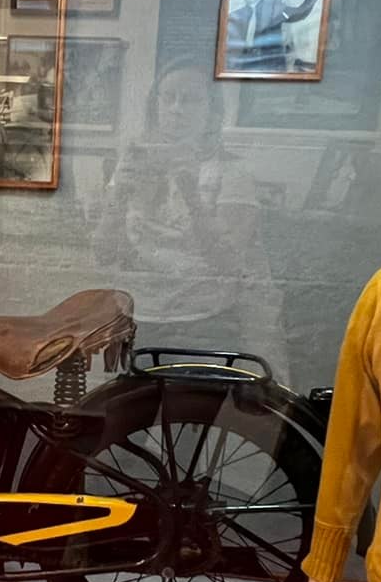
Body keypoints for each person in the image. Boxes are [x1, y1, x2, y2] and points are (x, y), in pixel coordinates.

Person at [92, 55, 287, 375]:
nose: (176, 109)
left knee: (193, 404)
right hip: (137, 316)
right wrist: (120, 192)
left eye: (190, 99)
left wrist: (191, 192)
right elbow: (103, 252)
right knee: (131, 405)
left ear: (212, 113)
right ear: (154, 105)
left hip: (204, 321)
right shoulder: (135, 163)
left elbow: (228, 264)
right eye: (168, 97)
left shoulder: (231, 173)